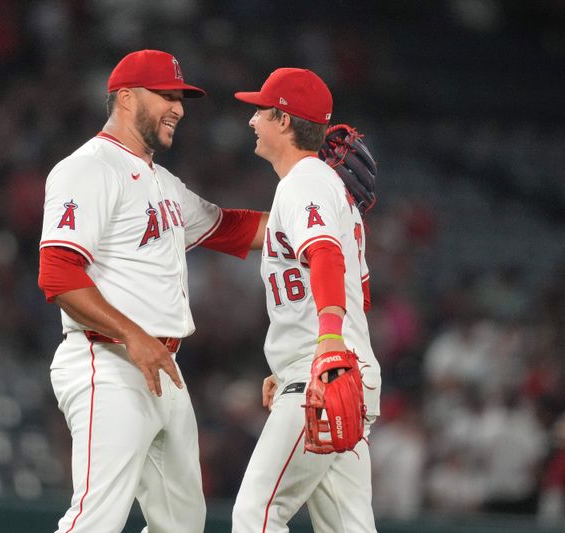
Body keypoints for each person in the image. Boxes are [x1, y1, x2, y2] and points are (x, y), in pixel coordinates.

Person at [37, 49, 267, 533]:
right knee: (95, 521)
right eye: (166, 94)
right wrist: (132, 335)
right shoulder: (88, 167)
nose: (179, 107)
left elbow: (233, 229)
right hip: (108, 360)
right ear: (124, 98)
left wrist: (322, 207)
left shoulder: (161, 181)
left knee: (182, 524)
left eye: (180, 97)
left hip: (161, 368)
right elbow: (58, 275)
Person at [231, 68, 382, 532]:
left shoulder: (304, 180)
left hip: (325, 369)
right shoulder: (315, 184)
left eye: (260, 110)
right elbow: (361, 294)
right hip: (336, 369)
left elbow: (325, 256)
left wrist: (326, 344)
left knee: (258, 513)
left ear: (283, 118)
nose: (252, 119)